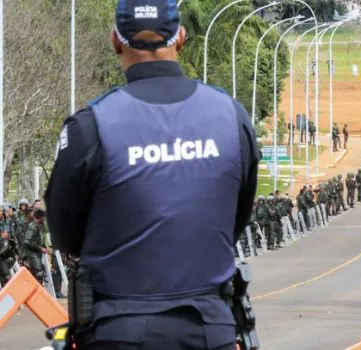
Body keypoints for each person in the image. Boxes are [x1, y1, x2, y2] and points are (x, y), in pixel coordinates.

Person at [44, 1, 258, 348]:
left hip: (119, 330)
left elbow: (66, 234)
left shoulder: (91, 127)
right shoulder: (231, 117)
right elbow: (236, 218)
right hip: (210, 328)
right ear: (181, 38)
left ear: (116, 40)